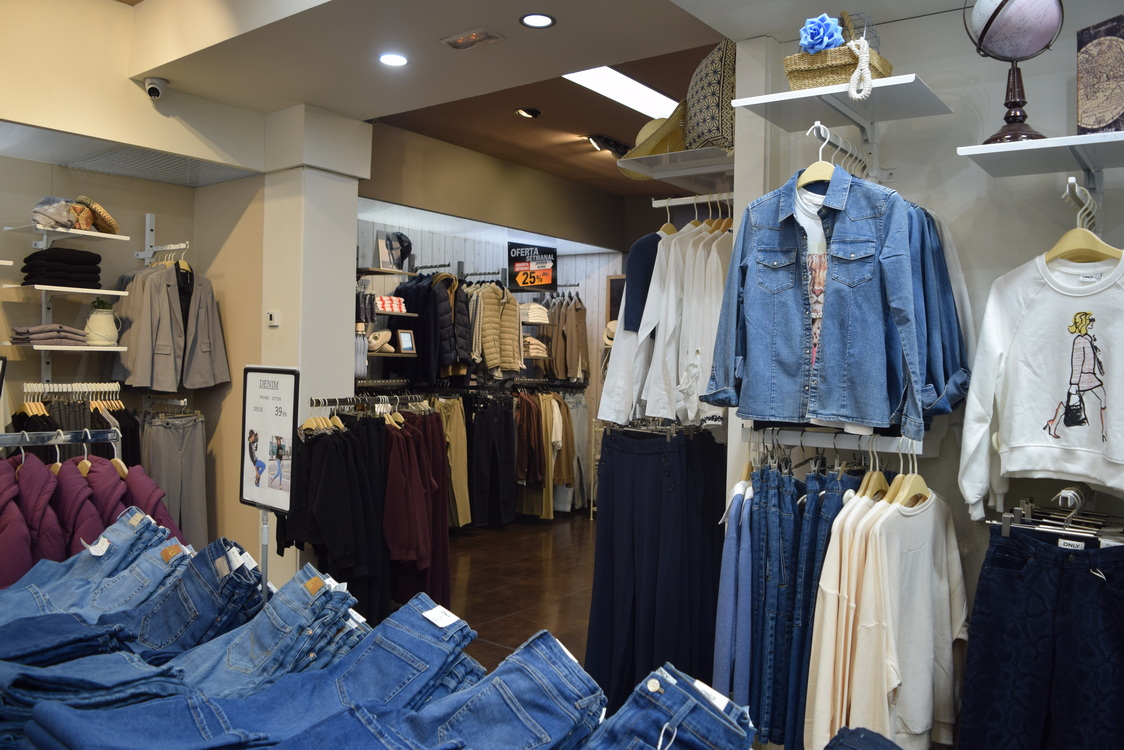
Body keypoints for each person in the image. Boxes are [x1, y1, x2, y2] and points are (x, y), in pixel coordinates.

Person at [1044, 311, 1106, 441]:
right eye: (1090, 320)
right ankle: (1104, 431)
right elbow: (1076, 362)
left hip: (1089, 376)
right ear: (1084, 322)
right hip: (1083, 378)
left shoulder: (1088, 338)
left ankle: (1053, 423)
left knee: (1070, 402)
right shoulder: (1079, 340)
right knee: (1100, 399)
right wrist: (1074, 383)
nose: (1093, 322)